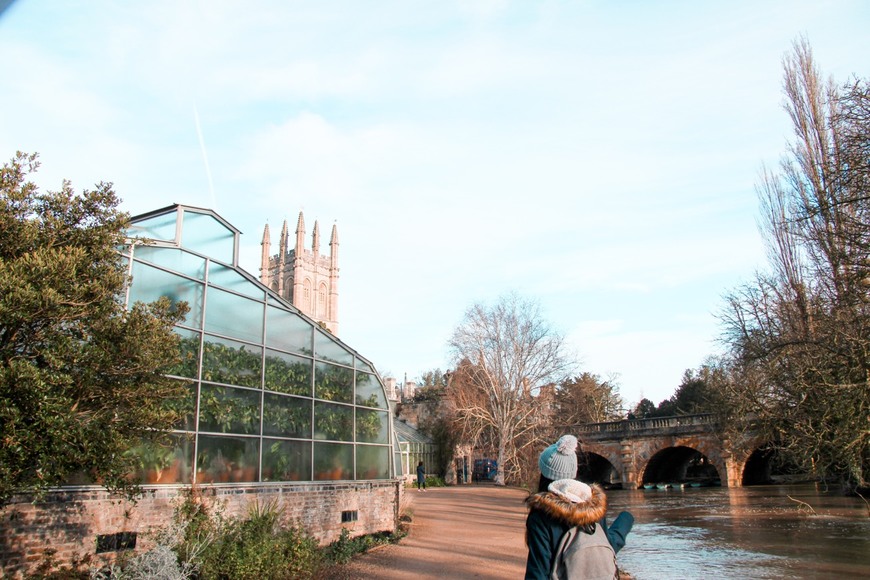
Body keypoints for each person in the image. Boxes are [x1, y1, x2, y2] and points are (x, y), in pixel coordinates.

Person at [524, 435, 634, 580]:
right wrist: (625, 520)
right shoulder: (592, 507)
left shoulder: (541, 516)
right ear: (574, 471)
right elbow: (606, 545)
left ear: (544, 473)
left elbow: (538, 571)